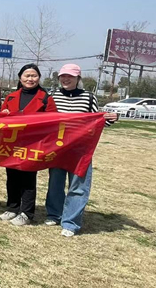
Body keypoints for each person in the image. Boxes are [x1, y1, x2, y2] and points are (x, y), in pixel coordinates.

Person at [44, 64, 118, 237]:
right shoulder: (52, 96)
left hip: (80, 150)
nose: (66, 79)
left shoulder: (89, 97)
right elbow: (43, 120)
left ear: (78, 78)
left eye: (70, 76)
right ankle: (54, 214)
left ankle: (71, 222)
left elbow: (96, 120)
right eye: (63, 76)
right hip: (58, 148)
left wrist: (111, 119)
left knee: (78, 185)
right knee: (55, 183)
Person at [0, 63, 58, 226]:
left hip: (33, 144)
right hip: (12, 143)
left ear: (39, 78)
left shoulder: (46, 98)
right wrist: (3, 114)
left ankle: (27, 213)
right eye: (27, 75)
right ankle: (12, 207)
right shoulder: (11, 97)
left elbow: (53, 122)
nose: (30, 79)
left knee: (28, 179)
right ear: (20, 78)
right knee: (11, 176)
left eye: (34, 76)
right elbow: (0, 119)